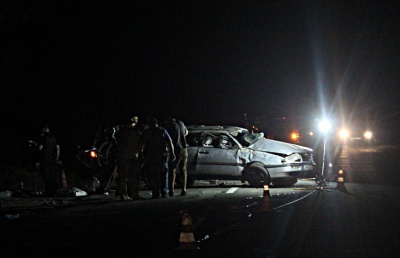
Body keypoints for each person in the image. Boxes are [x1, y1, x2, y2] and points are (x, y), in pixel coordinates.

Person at [140, 118, 175, 198]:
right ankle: (164, 192)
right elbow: (170, 142)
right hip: (162, 155)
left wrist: (141, 154)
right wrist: (172, 153)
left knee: (153, 175)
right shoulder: (162, 131)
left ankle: (155, 193)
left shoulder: (147, 132)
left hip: (151, 156)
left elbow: (141, 144)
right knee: (164, 174)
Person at [115, 117, 142, 201]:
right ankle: (134, 194)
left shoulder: (121, 132)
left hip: (122, 156)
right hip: (133, 156)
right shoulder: (136, 132)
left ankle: (123, 194)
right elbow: (140, 145)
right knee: (133, 177)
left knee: (123, 177)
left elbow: (118, 144)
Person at [164, 117, 189, 196]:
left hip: (176, 149)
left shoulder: (170, 125)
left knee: (172, 170)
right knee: (183, 170)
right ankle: (184, 189)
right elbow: (186, 132)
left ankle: (171, 191)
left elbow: (168, 138)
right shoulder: (181, 123)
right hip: (184, 149)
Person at [37, 124, 60, 197]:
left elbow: (40, 148)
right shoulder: (53, 138)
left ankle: (49, 192)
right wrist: (57, 158)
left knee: (46, 176)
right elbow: (58, 148)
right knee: (52, 175)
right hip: (52, 159)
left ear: (43, 129)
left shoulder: (43, 137)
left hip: (45, 159)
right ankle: (54, 191)